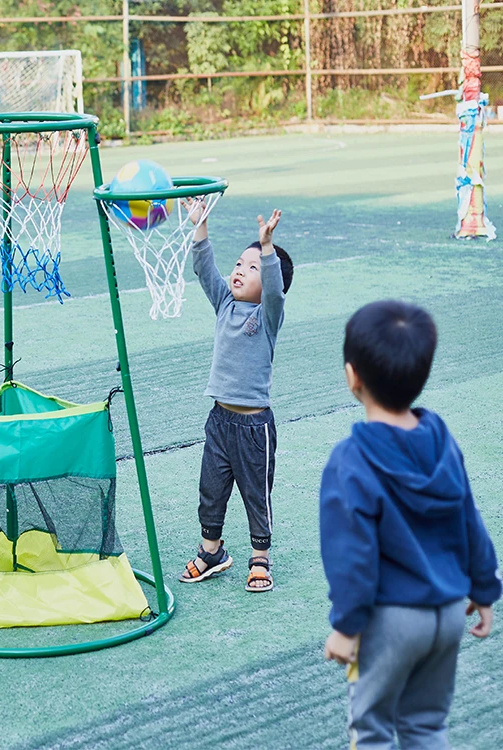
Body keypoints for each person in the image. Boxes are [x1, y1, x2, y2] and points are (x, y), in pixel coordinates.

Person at [320, 300, 502, 749]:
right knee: (426, 726)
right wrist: (484, 589)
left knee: (373, 730)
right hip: (447, 613)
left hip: (391, 621)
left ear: (352, 376)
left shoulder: (351, 461)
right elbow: (469, 520)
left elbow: (352, 556)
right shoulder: (442, 441)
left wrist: (346, 625)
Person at [178, 200, 293, 591]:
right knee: (211, 489)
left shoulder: (266, 317)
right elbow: (205, 269)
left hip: (253, 427)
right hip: (219, 421)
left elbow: (275, 292)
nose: (240, 271)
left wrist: (267, 247)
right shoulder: (225, 304)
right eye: (239, 265)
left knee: (255, 494)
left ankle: (260, 558)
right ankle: (211, 551)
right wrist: (201, 225)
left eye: (252, 267)